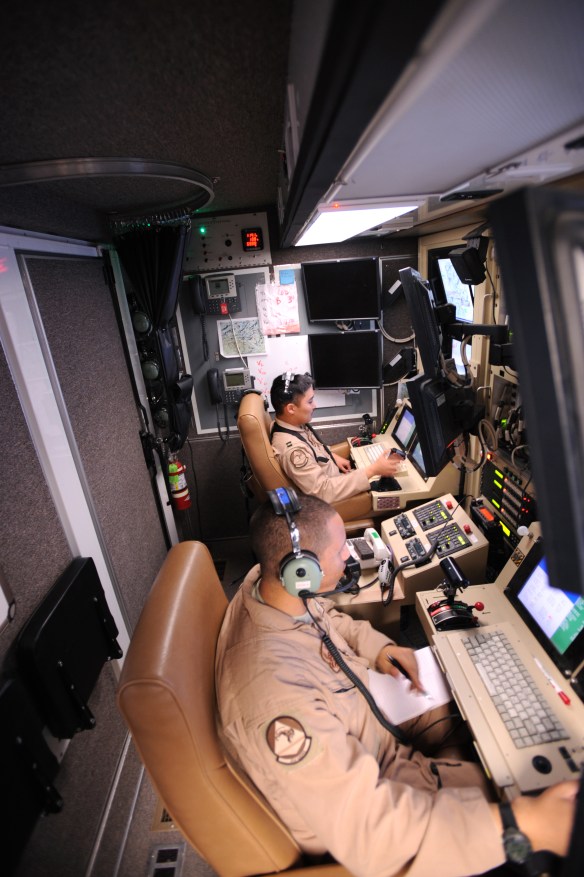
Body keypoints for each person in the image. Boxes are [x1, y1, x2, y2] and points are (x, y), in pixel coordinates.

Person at [215, 492, 577, 877]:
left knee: (478, 686)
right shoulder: (277, 702)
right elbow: (371, 830)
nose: (348, 559)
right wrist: (522, 823)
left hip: (368, 716)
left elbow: (329, 620)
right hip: (386, 784)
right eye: (340, 553)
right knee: (535, 786)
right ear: (301, 569)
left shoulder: (270, 586)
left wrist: (380, 646)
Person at [269, 371, 403, 505]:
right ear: (291, 409)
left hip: (335, 480)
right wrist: (373, 470)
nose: (314, 405)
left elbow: (313, 449)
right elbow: (322, 492)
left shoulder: (288, 424)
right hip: (331, 501)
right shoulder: (293, 451)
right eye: (310, 401)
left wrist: (331, 456)